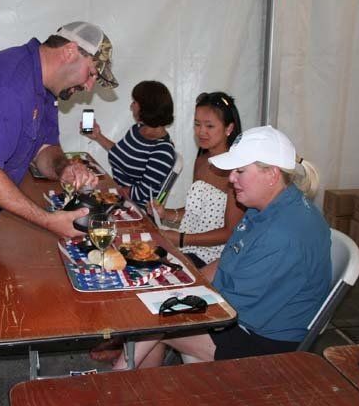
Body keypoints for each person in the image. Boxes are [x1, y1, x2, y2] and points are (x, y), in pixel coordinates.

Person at [0, 21, 118, 406]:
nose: (89, 86)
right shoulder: (8, 85)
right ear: (71, 52)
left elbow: (44, 150)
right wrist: (48, 221)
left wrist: (64, 168)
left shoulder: (43, 89)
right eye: (92, 74)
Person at [113, 125, 332, 369]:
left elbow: (229, 309)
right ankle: (135, 385)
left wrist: (175, 296)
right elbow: (229, 258)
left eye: (240, 171)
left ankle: (115, 385)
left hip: (263, 343)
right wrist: (184, 283)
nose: (231, 178)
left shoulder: (281, 234)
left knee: (154, 317)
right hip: (246, 316)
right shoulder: (270, 206)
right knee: (158, 298)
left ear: (271, 174)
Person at [147, 92, 245, 279]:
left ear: (229, 128)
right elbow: (196, 211)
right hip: (190, 248)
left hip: (216, 258)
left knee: (159, 275)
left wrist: (182, 239)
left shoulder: (237, 170)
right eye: (197, 124)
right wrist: (165, 213)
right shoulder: (202, 161)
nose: (201, 132)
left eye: (209, 126)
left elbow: (230, 232)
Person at [85, 80, 176, 207]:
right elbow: (121, 154)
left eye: (134, 102)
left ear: (146, 107)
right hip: (119, 197)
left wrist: (107, 192)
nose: (131, 106)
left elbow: (143, 194)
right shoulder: (137, 129)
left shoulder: (163, 151)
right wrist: (97, 136)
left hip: (134, 208)